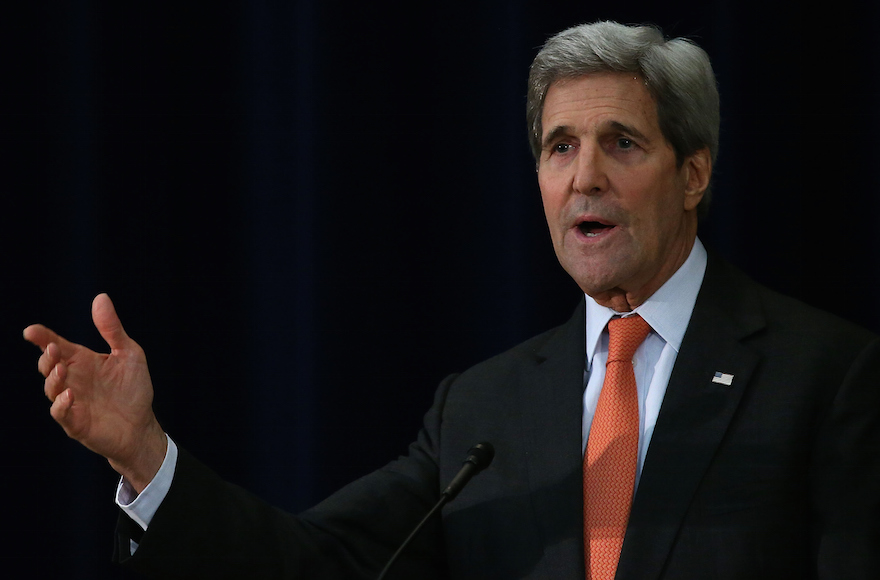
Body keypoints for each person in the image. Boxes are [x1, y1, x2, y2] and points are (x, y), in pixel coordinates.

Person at [24, 21, 880, 579]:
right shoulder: (485, 407)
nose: (585, 177)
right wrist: (146, 456)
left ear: (693, 173)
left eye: (622, 144)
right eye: (559, 147)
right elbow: (319, 566)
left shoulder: (826, 375)